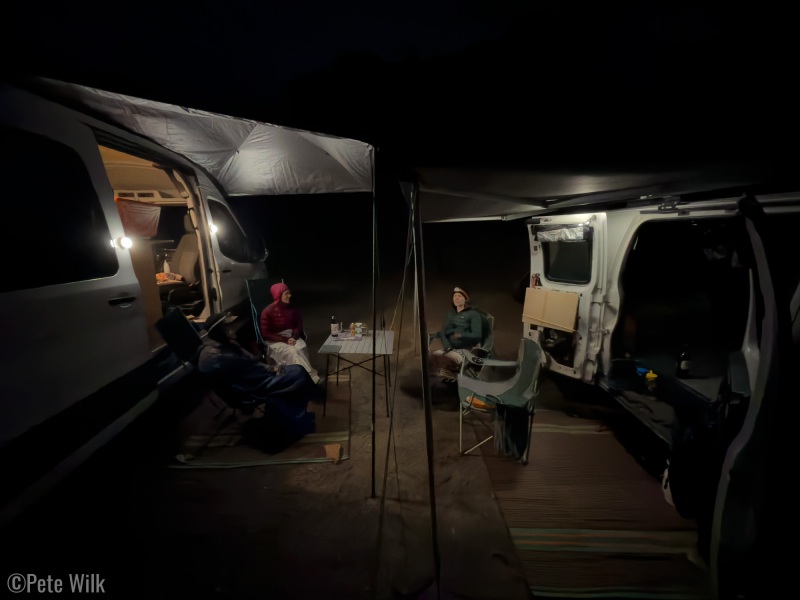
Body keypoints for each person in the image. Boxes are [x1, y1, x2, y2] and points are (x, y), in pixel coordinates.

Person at [196, 311, 322, 444]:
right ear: (220, 331)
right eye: (228, 327)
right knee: (298, 374)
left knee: (297, 370)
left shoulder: (231, 344)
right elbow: (207, 366)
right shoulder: (216, 354)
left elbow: (252, 362)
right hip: (255, 385)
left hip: (261, 375)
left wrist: (271, 368)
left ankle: (305, 406)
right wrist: (270, 372)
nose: (233, 328)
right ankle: (311, 399)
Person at [259, 282, 322, 384]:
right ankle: (307, 377)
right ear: (278, 296)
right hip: (275, 339)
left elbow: (298, 326)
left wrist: (294, 336)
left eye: (289, 293)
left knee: (299, 347)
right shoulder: (267, 311)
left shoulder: (293, 309)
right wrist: (285, 340)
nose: (289, 296)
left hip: (291, 336)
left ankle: (305, 376)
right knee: (292, 352)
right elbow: (266, 333)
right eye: (286, 293)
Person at [428, 286, 484, 383]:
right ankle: (445, 373)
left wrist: (462, 334)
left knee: (447, 360)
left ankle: (450, 373)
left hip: (466, 348)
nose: (456, 298)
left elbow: (477, 335)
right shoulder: (451, 314)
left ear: (465, 300)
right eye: (455, 296)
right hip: (450, 347)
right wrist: (438, 338)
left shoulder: (473, 315)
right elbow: (445, 331)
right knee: (430, 359)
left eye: (459, 296)